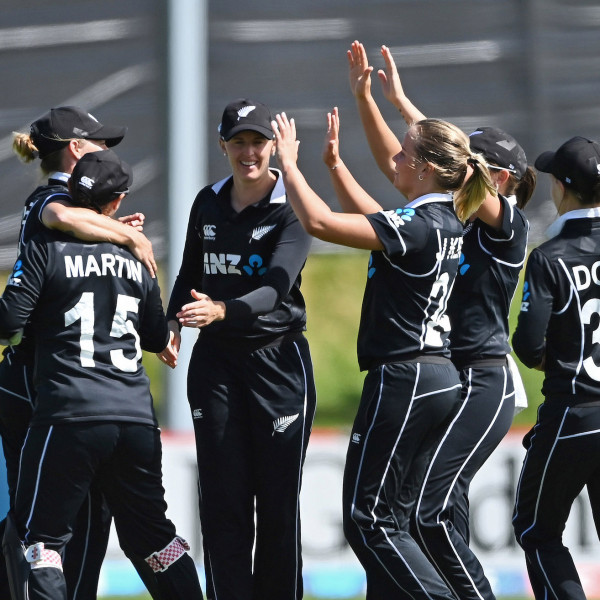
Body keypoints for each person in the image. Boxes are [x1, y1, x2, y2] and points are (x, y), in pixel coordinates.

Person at [272, 106, 494, 599]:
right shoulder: (443, 220)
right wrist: (334, 166)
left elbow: (320, 222)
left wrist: (288, 164)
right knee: (397, 519)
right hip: (436, 375)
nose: (394, 159)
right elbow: (374, 222)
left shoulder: (420, 224)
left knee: (367, 518)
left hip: (405, 377)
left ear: (425, 168)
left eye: (404, 153)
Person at [344, 41, 536, 599]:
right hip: (449, 374)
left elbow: (441, 161)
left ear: (500, 178)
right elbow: (402, 162)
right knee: (406, 511)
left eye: (475, 161)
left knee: (432, 510)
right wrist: (372, 101)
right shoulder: (445, 217)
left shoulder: (508, 223)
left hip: (484, 377)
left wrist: (409, 110)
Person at [0, 149, 204, 600]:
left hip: (68, 416)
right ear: (118, 201)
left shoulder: (46, 247)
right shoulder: (137, 256)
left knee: (42, 543)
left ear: (70, 192)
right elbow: (156, 336)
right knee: (155, 540)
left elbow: (9, 321)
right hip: (135, 420)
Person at [161, 98, 316, 600]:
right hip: (216, 363)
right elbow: (190, 272)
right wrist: (171, 323)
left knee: (277, 505)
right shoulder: (207, 201)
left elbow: (275, 288)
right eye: (239, 142)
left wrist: (223, 310)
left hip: (278, 362)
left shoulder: (293, 204)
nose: (249, 152)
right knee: (222, 502)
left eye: (258, 142)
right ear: (222, 145)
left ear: (274, 146)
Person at [512, 136, 600, 600]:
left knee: (537, 530)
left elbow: (528, 345)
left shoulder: (549, 257)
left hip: (573, 414)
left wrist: (563, 357)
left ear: (561, 188)